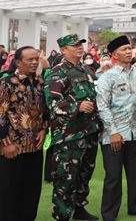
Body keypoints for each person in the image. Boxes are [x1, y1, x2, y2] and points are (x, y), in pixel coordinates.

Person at [45, 33, 102, 221]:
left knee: (84, 175)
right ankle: (62, 214)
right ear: (63, 50)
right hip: (70, 136)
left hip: (90, 131)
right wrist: (77, 107)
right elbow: (53, 103)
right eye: (74, 45)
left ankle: (78, 209)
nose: (79, 47)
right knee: (66, 178)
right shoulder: (57, 72)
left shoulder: (87, 70)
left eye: (80, 44)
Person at [96, 35, 136, 221]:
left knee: (135, 174)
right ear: (114, 55)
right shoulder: (107, 77)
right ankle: (109, 213)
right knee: (113, 177)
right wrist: (113, 132)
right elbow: (102, 106)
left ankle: (135, 206)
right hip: (114, 135)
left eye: (129, 48)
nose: (129, 52)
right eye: (124, 49)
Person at [0, 45, 49, 221]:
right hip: (13, 149)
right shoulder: (7, 83)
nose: (35, 62)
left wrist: (44, 129)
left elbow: (45, 110)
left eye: (37, 59)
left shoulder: (40, 82)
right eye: (30, 59)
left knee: (32, 193)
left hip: (34, 148)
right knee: (9, 195)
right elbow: (0, 115)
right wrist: (6, 144)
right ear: (18, 62)